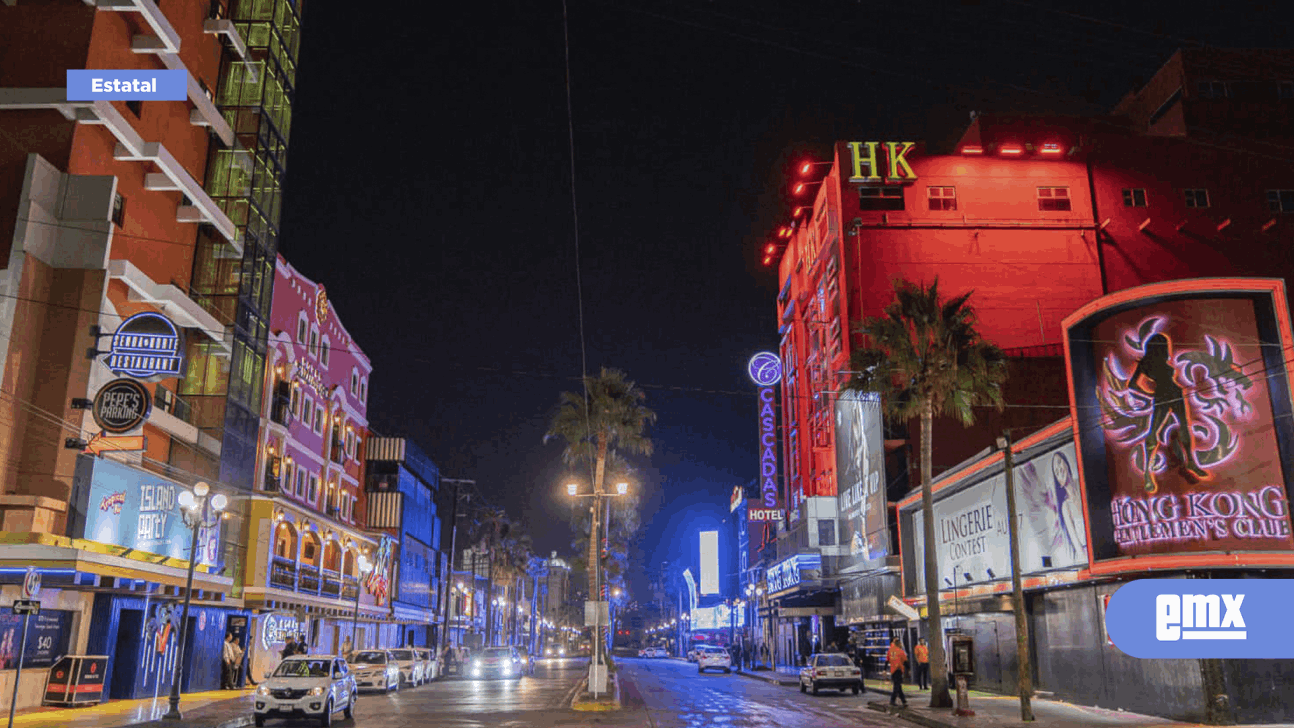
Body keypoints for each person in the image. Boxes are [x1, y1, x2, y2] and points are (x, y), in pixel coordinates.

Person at [887, 637, 908, 707]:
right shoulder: (900, 651)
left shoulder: (890, 651)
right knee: (897, 686)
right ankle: (892, 700)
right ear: (898, 644)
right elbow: (905, 661)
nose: (901, 645)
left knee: (898, 686)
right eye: (901, 644)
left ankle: (903, 700)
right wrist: (908, 670)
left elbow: (887, 660)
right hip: (898, 669)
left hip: (893, 670)